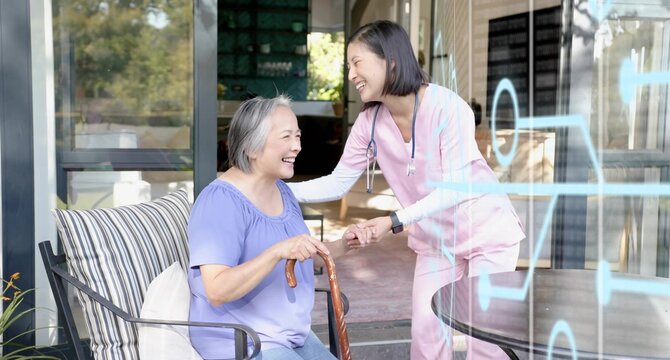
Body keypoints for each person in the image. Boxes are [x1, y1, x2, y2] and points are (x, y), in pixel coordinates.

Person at [287, 20, 525, 360]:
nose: (351, 74)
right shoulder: (369, 123)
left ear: (391, 61)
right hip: (436, 241)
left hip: (485, 232)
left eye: (357, 62)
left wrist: (393, 221)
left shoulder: (449, 108)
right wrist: (278, 189)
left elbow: (453, 190)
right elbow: (338, 181)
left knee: (484, 341)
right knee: (427, 335)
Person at [187, 95, 358, 360]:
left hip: (289, 336)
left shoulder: (281, 191)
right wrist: (276, 251)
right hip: (244, 341)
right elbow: (217, 290)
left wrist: (345, 243)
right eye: (286, 137)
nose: (297, 146)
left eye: (298, 136)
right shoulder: (220, 202)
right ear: (252, 148)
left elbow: (299, 255)